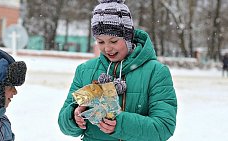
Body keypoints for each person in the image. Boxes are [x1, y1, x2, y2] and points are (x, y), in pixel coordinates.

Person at [58, 0, 177, 141]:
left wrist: (120, 124)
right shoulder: (85, 70)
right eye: (100, 42)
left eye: (113, 41)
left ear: (128, 37)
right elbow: (63, 124)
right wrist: (74, 115)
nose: (107, 48)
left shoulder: (156, 72)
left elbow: (163, 127)